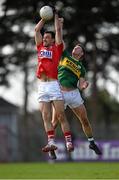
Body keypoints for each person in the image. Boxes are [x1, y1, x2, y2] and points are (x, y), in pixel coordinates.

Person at [34, 10, 74, 159]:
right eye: (44, 38)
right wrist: (44, 18)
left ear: (52, 40)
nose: (44, 39)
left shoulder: (57, 48)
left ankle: (68, 142)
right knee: (45, 116)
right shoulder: (39, 47)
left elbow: (58, 30)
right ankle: (51, 142)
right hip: (42, 86)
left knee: (61, 116)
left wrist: (56, 16)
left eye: (47, 38)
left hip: (53, 85)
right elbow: (36, 30)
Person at [52, 43, 102, 155]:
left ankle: (92, 143)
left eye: (78, 48)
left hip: (74, 94)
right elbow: (60, 40)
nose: (75, 48)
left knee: (84, 119)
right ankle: (50, 144)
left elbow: (81, 84)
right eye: (74, 47)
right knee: (54, 122)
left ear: (82, 53)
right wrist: (58, 26)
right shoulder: (65, 56)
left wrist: (84, 86)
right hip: (60, 93)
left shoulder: (81, 68)